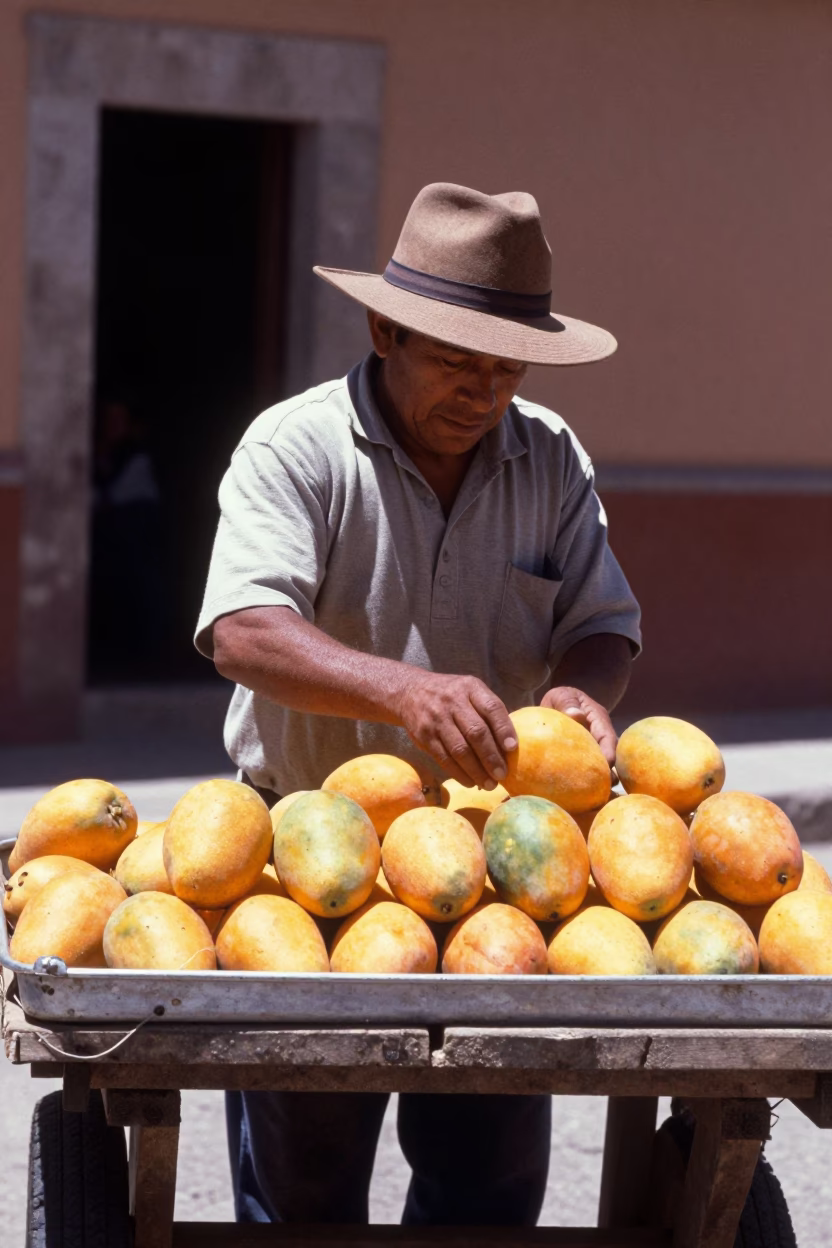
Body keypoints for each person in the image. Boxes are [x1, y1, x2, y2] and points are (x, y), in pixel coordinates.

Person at [195, 182, 642, 1226]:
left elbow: (603, 618)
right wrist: (402, 690)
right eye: (455, 360)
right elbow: (240, 630)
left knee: (485, 1176)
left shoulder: (551, 456)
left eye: (505, 366)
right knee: (306, 1179)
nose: (483, 390)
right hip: (308, 856)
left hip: (497, 859)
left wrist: (579, 686)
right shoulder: (293, 448)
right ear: (384, 328)